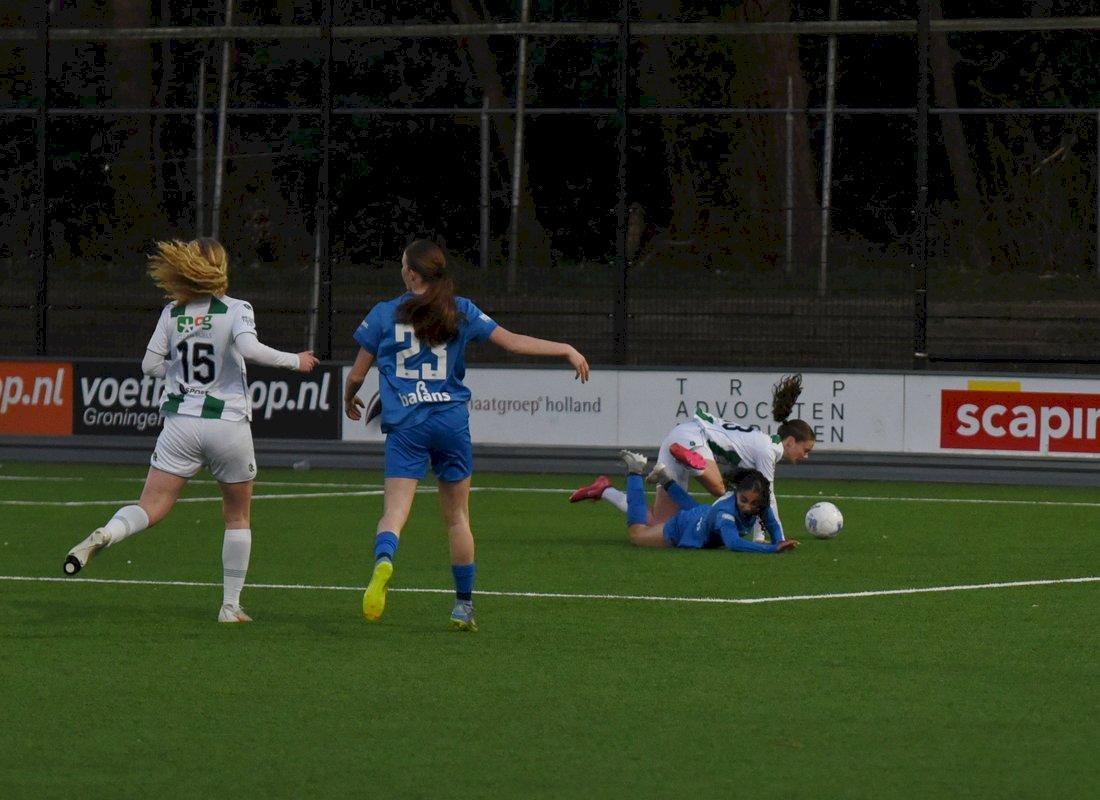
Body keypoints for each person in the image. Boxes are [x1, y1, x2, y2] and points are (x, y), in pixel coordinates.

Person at [61, 237, 320, 623]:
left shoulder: (172, 313)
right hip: (226, 424)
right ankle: (230, 606)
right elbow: (250, 349)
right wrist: (294, 361)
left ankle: (109, 533)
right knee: (237, 516)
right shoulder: (236, 309)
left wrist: (179, 373)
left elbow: (149, 366)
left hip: (180, 424)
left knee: (150, 506)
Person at [344, 238, 590, 632]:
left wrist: (349, 396)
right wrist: (564, 348)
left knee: (394, 512)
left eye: (403, 264)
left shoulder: (383, 313)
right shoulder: (460, 310)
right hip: (450, 423)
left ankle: (385, 560)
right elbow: (512, 342)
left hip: (407, 426)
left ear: (412, 274)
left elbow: (357, 374)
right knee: (458, 518)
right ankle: (463, 606)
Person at [569, 374, 815, 542]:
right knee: (720, 489)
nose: (806, 456)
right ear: (790, 442)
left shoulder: (762, 444)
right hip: (692, 438)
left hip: (679, 436)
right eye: (806, 449)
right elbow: (767, 498)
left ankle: (605, 490)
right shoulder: (768, 451)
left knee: (656, 524)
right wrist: (765, 539)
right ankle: (689, 461)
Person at [611, 450, 798, 553]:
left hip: (704, 515)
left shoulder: (760, 505)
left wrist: (780, 542)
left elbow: (772, 523)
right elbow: (733, 543)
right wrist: (772, 549)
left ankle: (665, 479)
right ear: (736, 491)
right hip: (684, 527)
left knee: (700, 512)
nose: (748, 507)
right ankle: (635, 470)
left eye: (754, 504)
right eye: (744, 500)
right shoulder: (726, 513)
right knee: (637, 535)